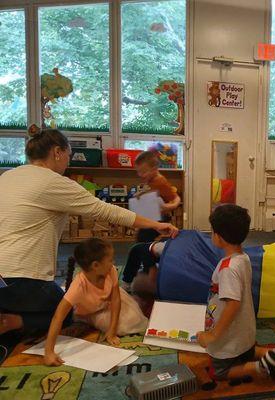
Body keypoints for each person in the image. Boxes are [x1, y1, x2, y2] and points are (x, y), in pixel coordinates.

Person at [0, 126, 178, 337]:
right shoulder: (54, 182)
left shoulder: (7, 177)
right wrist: (156, 224)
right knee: (67, 313)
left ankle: (11, 313)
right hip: (22, 279)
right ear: (57, 152)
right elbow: (106, 211)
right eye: (68, 156)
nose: (68, 162)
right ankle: (13, 320)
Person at [195, 205, 275, 381]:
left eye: (212, 231)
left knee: (220, 372)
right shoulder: (243, 258)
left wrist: (212, 335)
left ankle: (263, 365)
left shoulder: (227, 268)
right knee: (247, 353)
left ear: (219, 237)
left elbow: (232, 304)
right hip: (245, 334)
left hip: (229, 337)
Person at [44, 238, 148, 366]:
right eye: (110, 260)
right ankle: (84, 324)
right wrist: (49, 352)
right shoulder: (78, 286)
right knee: (124, 327)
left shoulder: (111, 270)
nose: (113, 262)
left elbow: (116, 298)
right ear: (95, 266)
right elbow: (58, 316)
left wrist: (112, 330)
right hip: (90, 312)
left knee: (135, 318)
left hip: (108, 301)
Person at [134, 151, 181, 243]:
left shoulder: (160, 181)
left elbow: (176, 199)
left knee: (143, 240)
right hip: (152, 215)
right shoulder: (150, 179)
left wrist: (165, 206)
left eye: (143, 172)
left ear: (154, 169)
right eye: (138, 171)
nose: (140, 175)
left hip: (160, 218)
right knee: (142, 238)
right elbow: (152, 190)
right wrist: (141, 193)